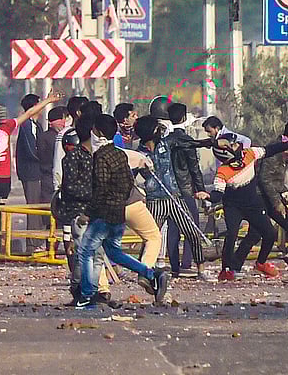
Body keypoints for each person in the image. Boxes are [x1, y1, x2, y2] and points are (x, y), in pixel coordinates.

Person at [75, 114, 170, 309]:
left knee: (86, 251)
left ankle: (87, 296)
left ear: (98, 133)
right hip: (126, 207)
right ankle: (150, 273)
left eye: (94, 130)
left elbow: (100, 188)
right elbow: (128, 183)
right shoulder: (121, 154)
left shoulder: (100, 156)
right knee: (115, 252)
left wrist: (89, 213)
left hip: (107, 211)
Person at [213, 132, 288, 281]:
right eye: (234, 145)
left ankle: (261, 263)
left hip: (253, 204)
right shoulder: (223, 171)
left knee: (270, 234)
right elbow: (217, 194)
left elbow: (269, 150)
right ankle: (226, 270)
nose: (238, 146)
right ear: (225, 153)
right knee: (232, 235)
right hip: (233, 206)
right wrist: (207, 196)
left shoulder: (249, 154)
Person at [135, 116, 209, 279]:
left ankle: (201, 269)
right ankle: (143, 270)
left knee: (192, 232)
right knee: (150, 237)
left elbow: (189, 144)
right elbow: (130, 176)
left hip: (175, 198)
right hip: (155, 201)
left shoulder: (167, 143)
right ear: (149, 132)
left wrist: (209, 143)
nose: (160, 131)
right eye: (156, 128)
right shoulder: (138, 154)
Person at [0, 91, 61, 231]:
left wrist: (48, 101)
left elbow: (29, 113)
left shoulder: (7, 126)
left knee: (0, 214)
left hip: (4, 179)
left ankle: (1, 243)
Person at [57, 116, 115, 307]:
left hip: (96, 213)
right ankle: (78, 290)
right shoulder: (72, 158)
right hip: (79, 214)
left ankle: (91, 291)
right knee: (84, 254)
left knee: (97, 254)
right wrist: (93, 192)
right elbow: (69, 187)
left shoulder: (96, 156)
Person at [257, 117, 288, 273]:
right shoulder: (277, 148)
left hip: (270, 194)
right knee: (264, 233)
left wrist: (284, 190)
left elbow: (275, 178)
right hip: (261, 195)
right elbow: (265, 178)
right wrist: (277, 202)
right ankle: (236, 265)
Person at [165, 102, 210, 277]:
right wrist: (201, 190)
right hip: (186, 190)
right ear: (184, 117)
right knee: (192, 226)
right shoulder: (188, 141)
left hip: (170, 190)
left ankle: (174, 267)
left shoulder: (165, 142)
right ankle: (187, 262)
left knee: (173, 227)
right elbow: (194, 168)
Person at [16, 94, 46, 251]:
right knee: (33, 207)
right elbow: (30, 151)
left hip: (39, 171)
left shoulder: (37, 125)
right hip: (31, 172)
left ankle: (38, 240)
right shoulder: (26, 126)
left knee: (40, 207)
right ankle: (33, 243)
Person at [53, 96, 91, 194]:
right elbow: (58, 161)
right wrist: (58, 188)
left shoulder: (91, 132)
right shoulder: (65, 134)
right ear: (78, 112)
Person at [38, 106, 68, 204]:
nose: (63, 123)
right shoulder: (50, 137)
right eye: (61, 119)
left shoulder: (45, 136)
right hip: (49, 177)